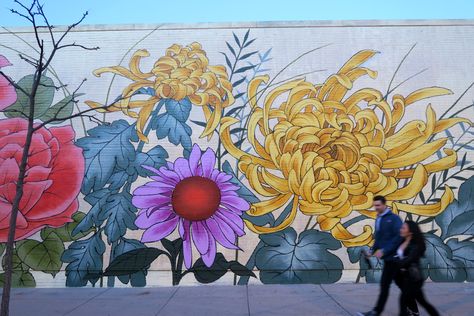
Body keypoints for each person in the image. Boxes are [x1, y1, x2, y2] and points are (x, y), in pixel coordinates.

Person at [357, 196, 419, 316]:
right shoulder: (378, 218)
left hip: (395, 259)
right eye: (375, 205)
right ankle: (414, 311)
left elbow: (399, 237)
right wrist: (373, 249)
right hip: (388, 259)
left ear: (385, 205)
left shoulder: (394, 219)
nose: (376, 208)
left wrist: (384, 250)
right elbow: (379, 237)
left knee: (384, 286)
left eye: (378, 205)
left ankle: (376, 311)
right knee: (402, 285)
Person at [396, 221, 440, 316]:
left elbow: (408, 260)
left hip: (413, 279)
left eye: (403, 228)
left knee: (403, 301)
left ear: (410, 232)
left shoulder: (416, 246)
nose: (401, 230)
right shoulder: (402, 240)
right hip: (406, 278)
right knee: (423, 302)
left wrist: (396, 264)